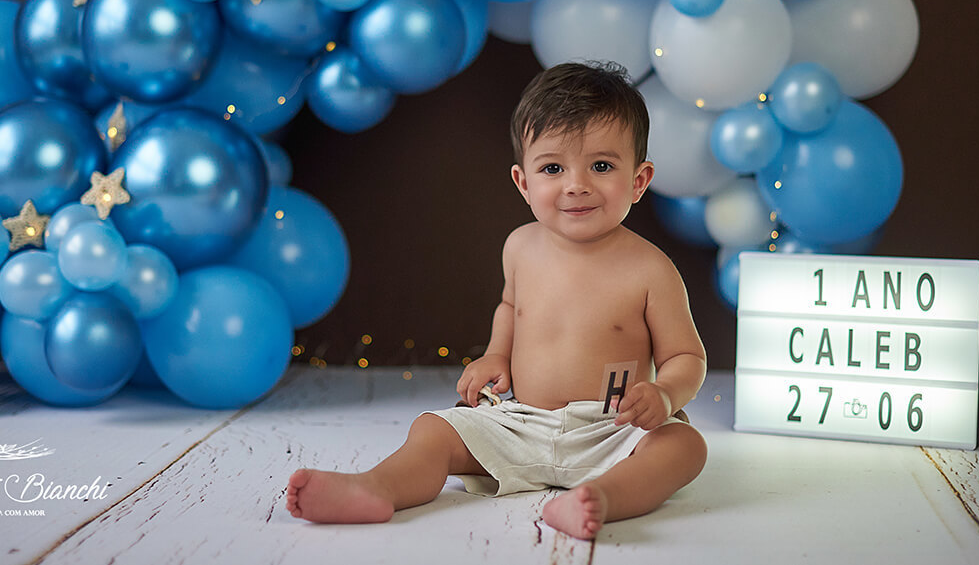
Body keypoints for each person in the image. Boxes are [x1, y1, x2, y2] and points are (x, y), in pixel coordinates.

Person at [286, 61, 708, 540]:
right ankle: (376, 487)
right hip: (521, 422)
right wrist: (495, 354)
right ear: (523, 182)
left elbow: (685, 355)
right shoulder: (520, 247)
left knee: (682, 447)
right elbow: (511, 308)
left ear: (638, 179)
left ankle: (604, 498)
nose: (576, 184)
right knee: (434, 431)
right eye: (553, 167)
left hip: (612, 429)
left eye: (602, 166)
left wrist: (665, 393)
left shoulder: (650, 269)